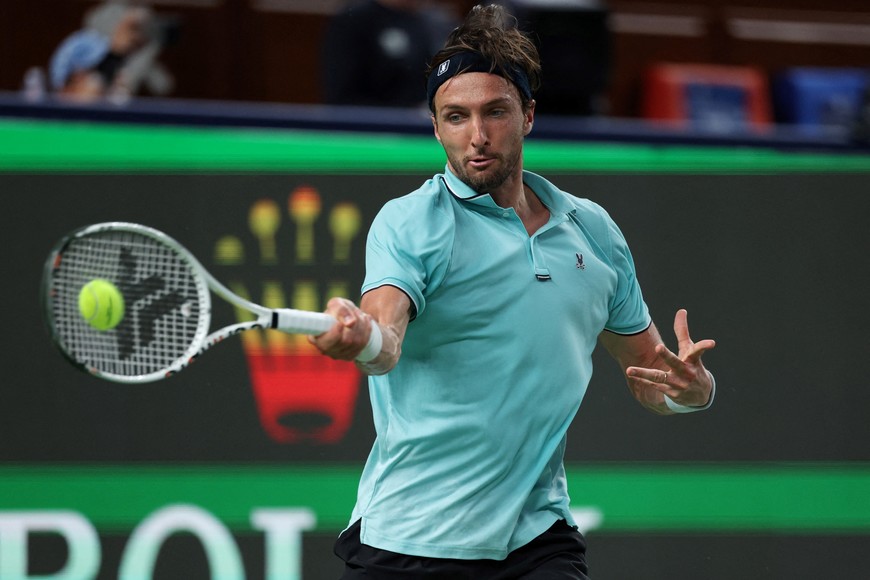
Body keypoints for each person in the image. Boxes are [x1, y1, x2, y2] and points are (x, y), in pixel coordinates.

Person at [310, 4, 717, 578]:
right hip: (410, 544)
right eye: (455, 117)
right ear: (435, 125)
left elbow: (651, 372)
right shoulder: (410, 222)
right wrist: (361, 338)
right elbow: (386, 336)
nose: (476, 137)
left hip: (537, 541)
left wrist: (689, 391)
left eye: (494, 112)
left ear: (527, 114)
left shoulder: (592, 232)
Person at [320, 0, 450, 107]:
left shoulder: (437, 22)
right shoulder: (355, 19)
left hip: (428, 129)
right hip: (375, 129)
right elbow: (343, 97)